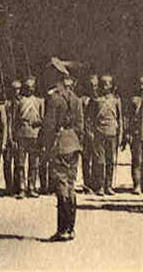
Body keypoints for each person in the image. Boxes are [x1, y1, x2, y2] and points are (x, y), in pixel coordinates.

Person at [41, 57, 84, 242]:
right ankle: (71, 228)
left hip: (59, 144)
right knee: (71, 185)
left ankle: (62, 229)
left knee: (61, 186)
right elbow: (80, 126)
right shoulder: (76, 99)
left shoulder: (54, 98)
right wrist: (76, 141)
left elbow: (49, 125)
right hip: (73, 143)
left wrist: (46, 145)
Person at [86, 74, 123, 196]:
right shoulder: (96, 100)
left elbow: (120, 119)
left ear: (111, 85)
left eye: (107, 83)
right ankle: (100, 186)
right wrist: (90, 132)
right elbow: (89, 118)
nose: (105, 86)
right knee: (99, 161)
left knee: (110, 160)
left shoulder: (116, 100)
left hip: (112, 133)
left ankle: (109, 185)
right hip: (99, 132)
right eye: (103, 83)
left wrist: (121, 134)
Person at [14, 76, 44, 199]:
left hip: (35, 134)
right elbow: (15, 120)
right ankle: (22, 187)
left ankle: (31, 187)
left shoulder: (39, 101)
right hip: (22, 134)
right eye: (27, 87)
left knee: (34, 163)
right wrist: (14, 137)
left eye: (32, 87)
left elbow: (43, 119)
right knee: (21, 163)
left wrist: (38, 124)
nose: (29, 89)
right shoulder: (19, 101)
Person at [124, 76, 143, 194]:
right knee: (137, 160)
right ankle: (137, 185)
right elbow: (128, 118)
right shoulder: (134, 100)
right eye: (140, 84)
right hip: (136, 134)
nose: (141, 87)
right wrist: (127, 132)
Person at [80, 74, 99, 194]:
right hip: (86, 132)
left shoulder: (99, 99)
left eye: (96, 85)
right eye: (91, 85)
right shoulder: (83, 100)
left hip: (98, 132)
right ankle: (87, 184)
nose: (94, 88)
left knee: (97, 159)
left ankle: (96, 183)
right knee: (86, 159)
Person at [3, 80, 22, 196]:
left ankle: (17, 186)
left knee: (18, 163)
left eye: (18, 89)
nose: (16, 91)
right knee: (7, 162)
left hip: (18, 135)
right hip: (7, 136)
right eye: (14, 89)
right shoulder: (6, 104)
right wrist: (8, 137)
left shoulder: (21, 103)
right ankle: (8, 187)